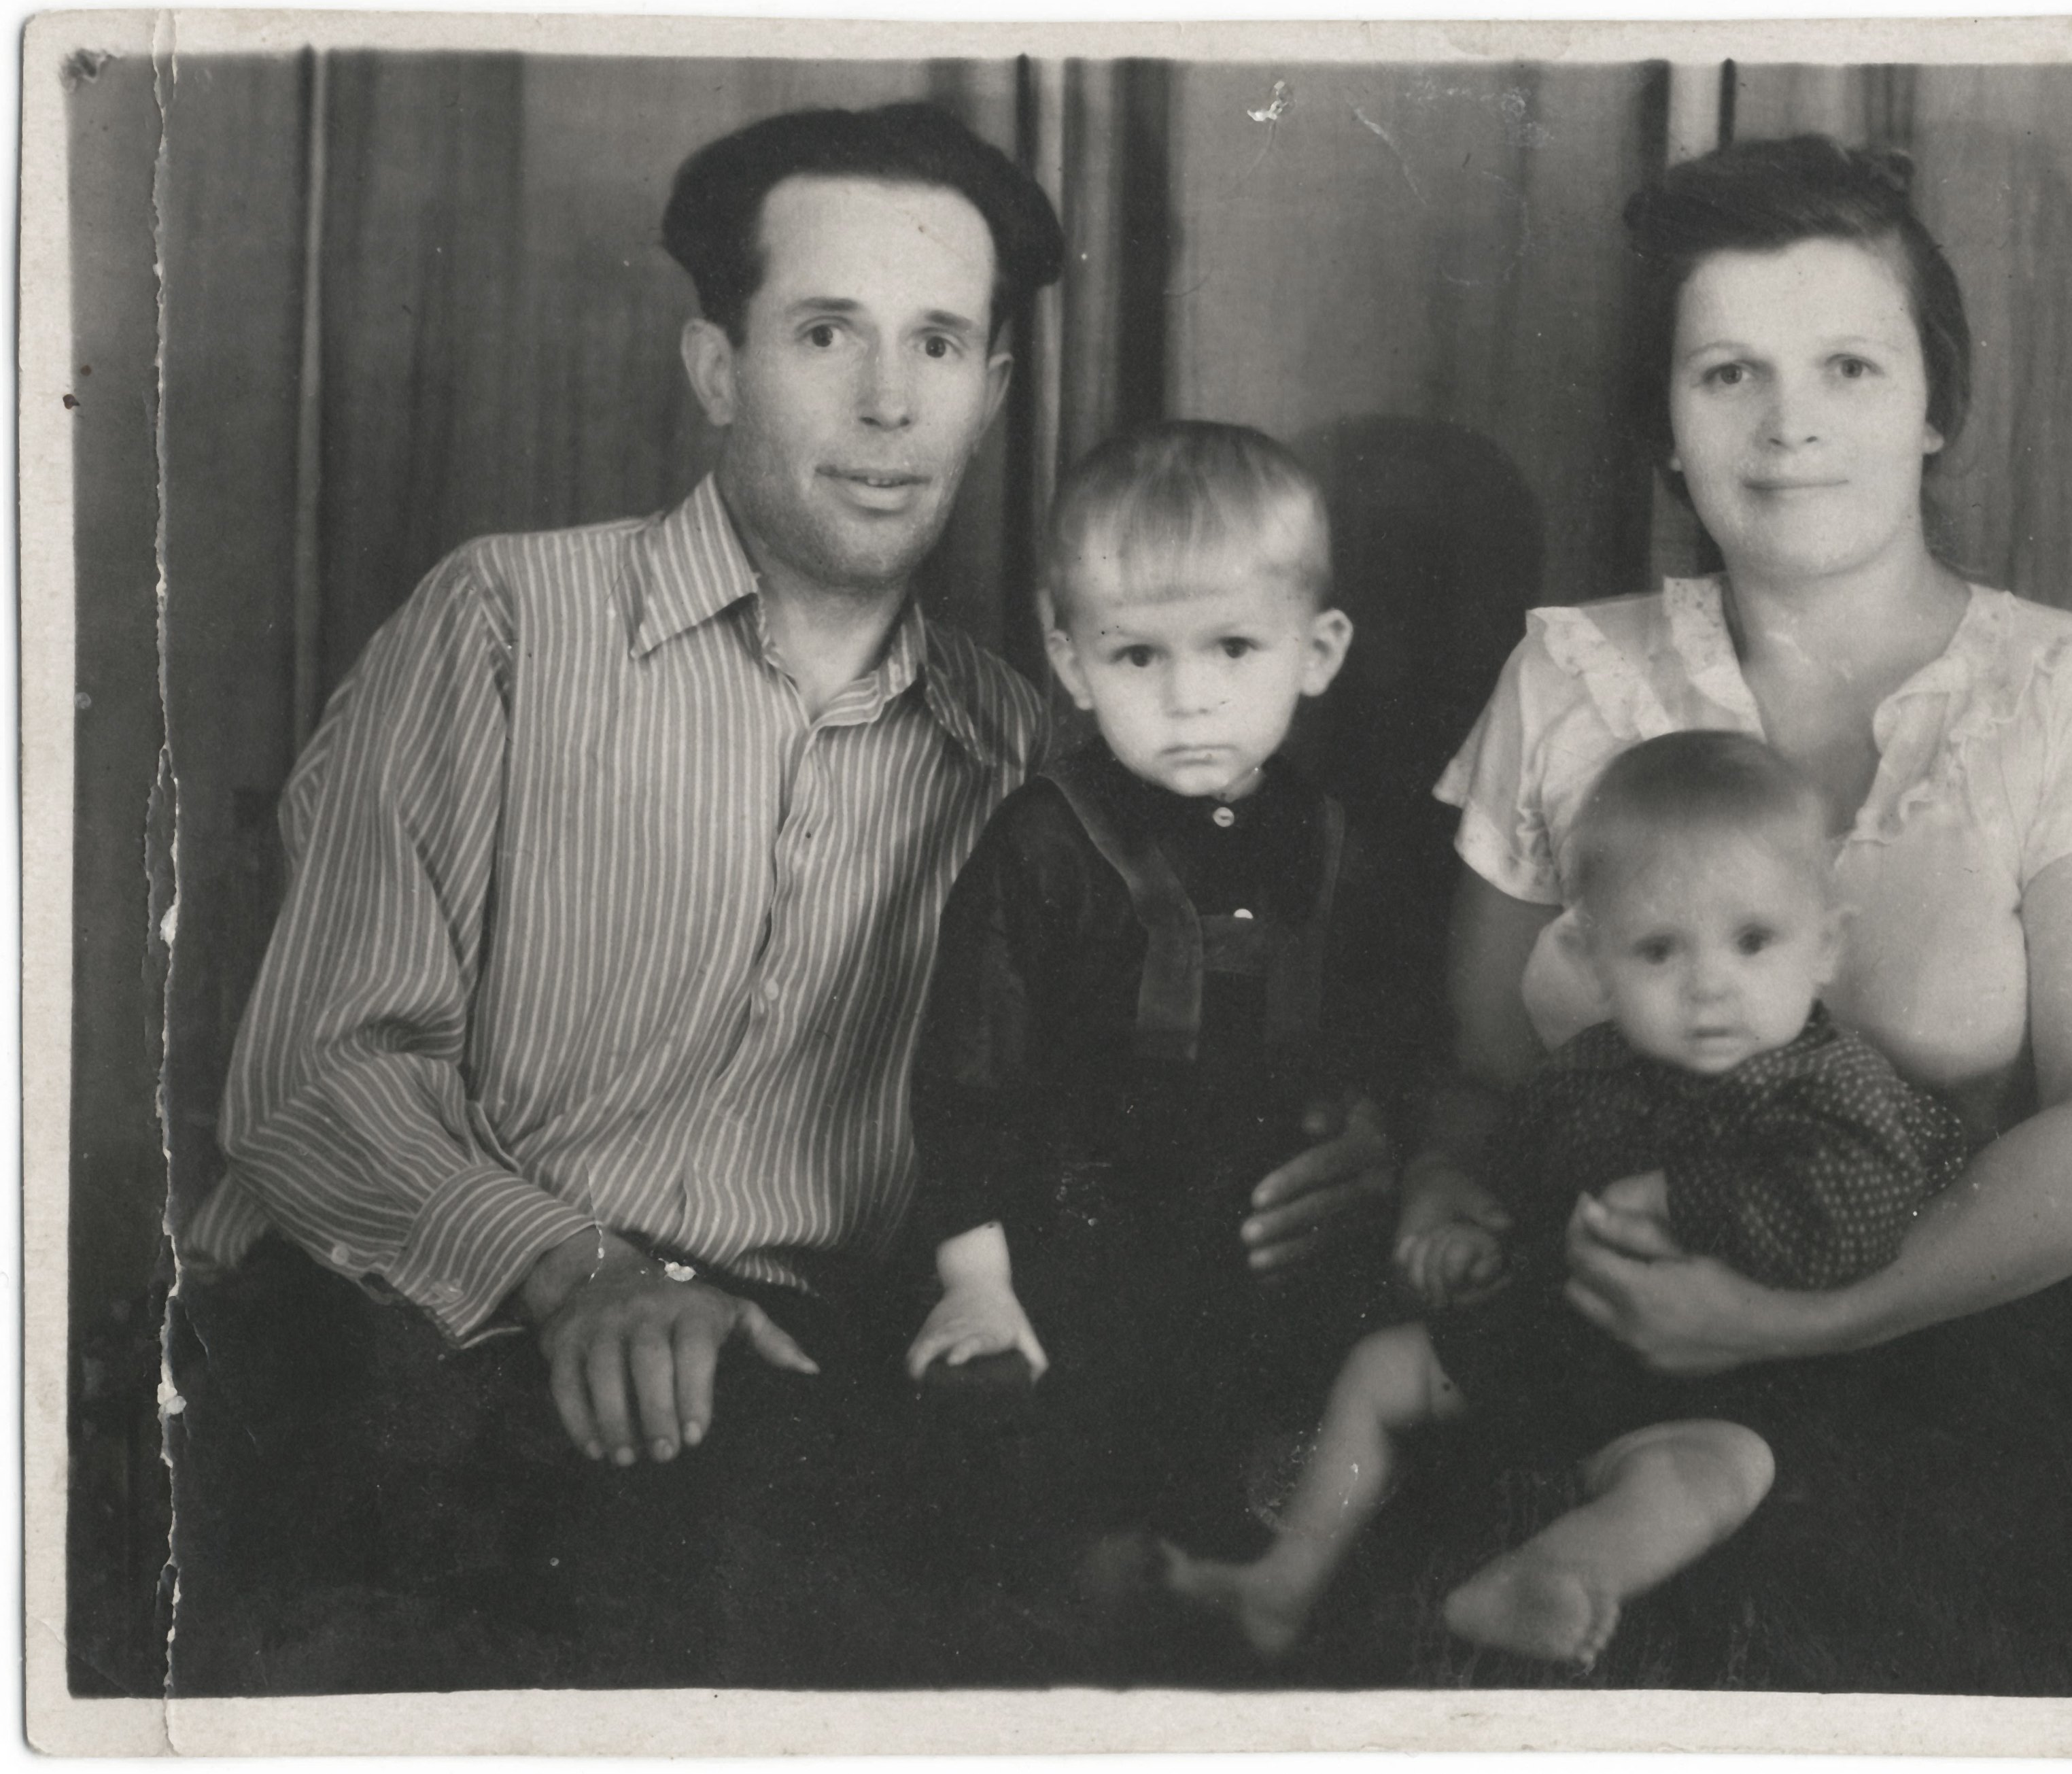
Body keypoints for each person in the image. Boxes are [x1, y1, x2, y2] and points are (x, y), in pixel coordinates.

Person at [164, 106, 1383, 1692]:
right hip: (418, 1317)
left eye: (939, 344)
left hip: (787, 1375)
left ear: (993, 392)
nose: (890, 402)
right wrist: (583, 1275)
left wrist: (1327, 1133)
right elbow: (313, 1079)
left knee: (1067, 1601)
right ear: (717, 368)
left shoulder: (1049, 761)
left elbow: (1097, 1104)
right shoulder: (506, 624)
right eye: (827, 333)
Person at [1400, 135, 2072, 1694]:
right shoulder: (1570, 679)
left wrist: (1782, 1325)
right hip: (1598, 1332)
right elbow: (1474, 1072)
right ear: (1665, 428)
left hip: (1962, 1380)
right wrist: (1439, 1199)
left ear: (1937, 406)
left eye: (1849, 367)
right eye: (1725, 373)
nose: (1787, 424)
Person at [1167, 731, 1968, 1669]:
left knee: (1714, 1470)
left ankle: (1547, 1572)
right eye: (1658, 949)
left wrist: (1683, 1196)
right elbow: (1527, 1191)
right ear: (1592, 960)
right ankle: (1283, 1582)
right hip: (1570, 1342)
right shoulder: (1586, 1073)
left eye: (1753, 940)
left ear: (1824, 944)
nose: (1711, 984)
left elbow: (1861, 1211)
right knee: (1382, 1368)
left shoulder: (1832, 1088)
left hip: (1734, 1380)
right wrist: (1473, 1234)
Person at [901, 422, 1402, 1585]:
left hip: (1274, 1257)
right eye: (1138, 658)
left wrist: (1370, 1129)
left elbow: (1383, 1038)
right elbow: (964, 1083)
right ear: (1070, 661)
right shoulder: (1042, 842)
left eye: (1232, 647)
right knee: (1080, 1527)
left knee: (1294, 1481)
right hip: (1080, 1259)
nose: (1188, 698)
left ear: (1317, 650)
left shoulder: (1330, 840)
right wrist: (975, 1283)